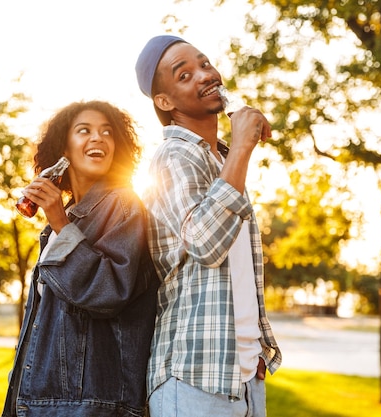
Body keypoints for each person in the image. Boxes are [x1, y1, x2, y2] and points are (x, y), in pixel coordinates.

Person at [134, 35, 282, 416]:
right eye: (185, 75)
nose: (205, 74)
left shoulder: (221, 160)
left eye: (204, 63)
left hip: (243, 376)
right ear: (165, 102)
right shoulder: (173, 156)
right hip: (195, 380)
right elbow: (206, 242)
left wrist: (254, 351)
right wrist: (244, 148)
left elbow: (238, 270)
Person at [1, 100, 158, 417]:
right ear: (65, 150)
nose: (98, 138)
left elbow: (110, 291)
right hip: (44, 402)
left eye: (107, 132)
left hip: (94, 405)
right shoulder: (68, 218)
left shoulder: (123, 205)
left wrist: (60, 222)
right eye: (84, 130)